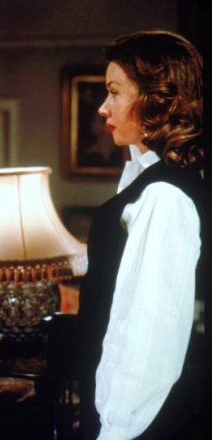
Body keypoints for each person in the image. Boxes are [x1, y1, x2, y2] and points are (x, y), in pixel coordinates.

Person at [77, 31, 205, 440]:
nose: (103, 107)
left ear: (155, 100)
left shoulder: (163, 196)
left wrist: (114, 430)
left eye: (114, 92)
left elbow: (147, 337)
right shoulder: (150, 177)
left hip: (139, 426)